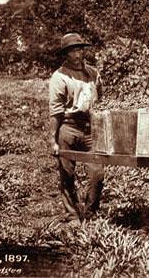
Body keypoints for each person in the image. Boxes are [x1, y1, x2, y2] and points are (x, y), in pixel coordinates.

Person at [48, 32, 104, 221]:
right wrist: (53, 140)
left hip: (91, 127)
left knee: (97, 172)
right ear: (66, 54)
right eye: (73, 51)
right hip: (69, 127)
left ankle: (90, 213)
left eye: (79, 49)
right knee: (67, 173)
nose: (77, 54)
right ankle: (72, 215)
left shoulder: (93, 73)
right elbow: (55, 112)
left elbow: (101, 99)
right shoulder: (60, 77)